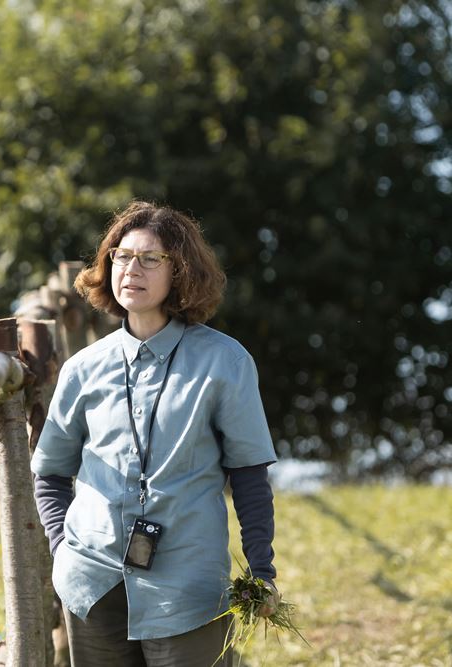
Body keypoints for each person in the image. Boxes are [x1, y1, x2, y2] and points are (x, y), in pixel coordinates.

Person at [32, 201, 280, 666]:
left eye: (151, 259)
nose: (132, 269)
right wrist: (63, 550)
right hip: (93, 583)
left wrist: (261, 570)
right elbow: (49, 471)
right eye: (121, 257)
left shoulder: (225, 362)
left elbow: (249, 473)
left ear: (180, 271)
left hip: (188, 586)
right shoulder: (82, 369)